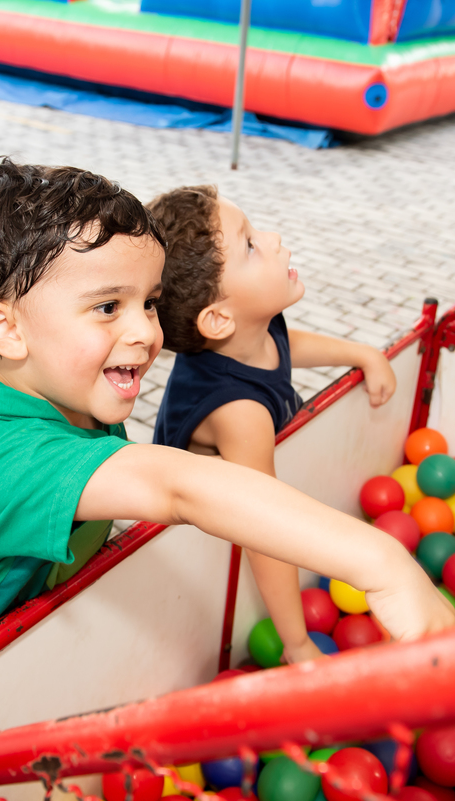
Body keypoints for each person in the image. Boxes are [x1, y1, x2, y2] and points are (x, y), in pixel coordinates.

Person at [0, 158, 455, 694]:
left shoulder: (35, 379)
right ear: (7, 330)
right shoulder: (3, 461)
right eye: (107, 306)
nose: (147, 332)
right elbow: (177, 486)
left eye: (149, 301)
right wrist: (381, 563)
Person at [145, 185, 398, 664]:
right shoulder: (240, 415)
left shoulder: (253, 327)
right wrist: (296, 643)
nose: (275, 239)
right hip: (195, 548)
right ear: (218, 319)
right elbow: (264, 529)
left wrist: (362, 353)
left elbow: (284, 347)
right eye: (250, 245)